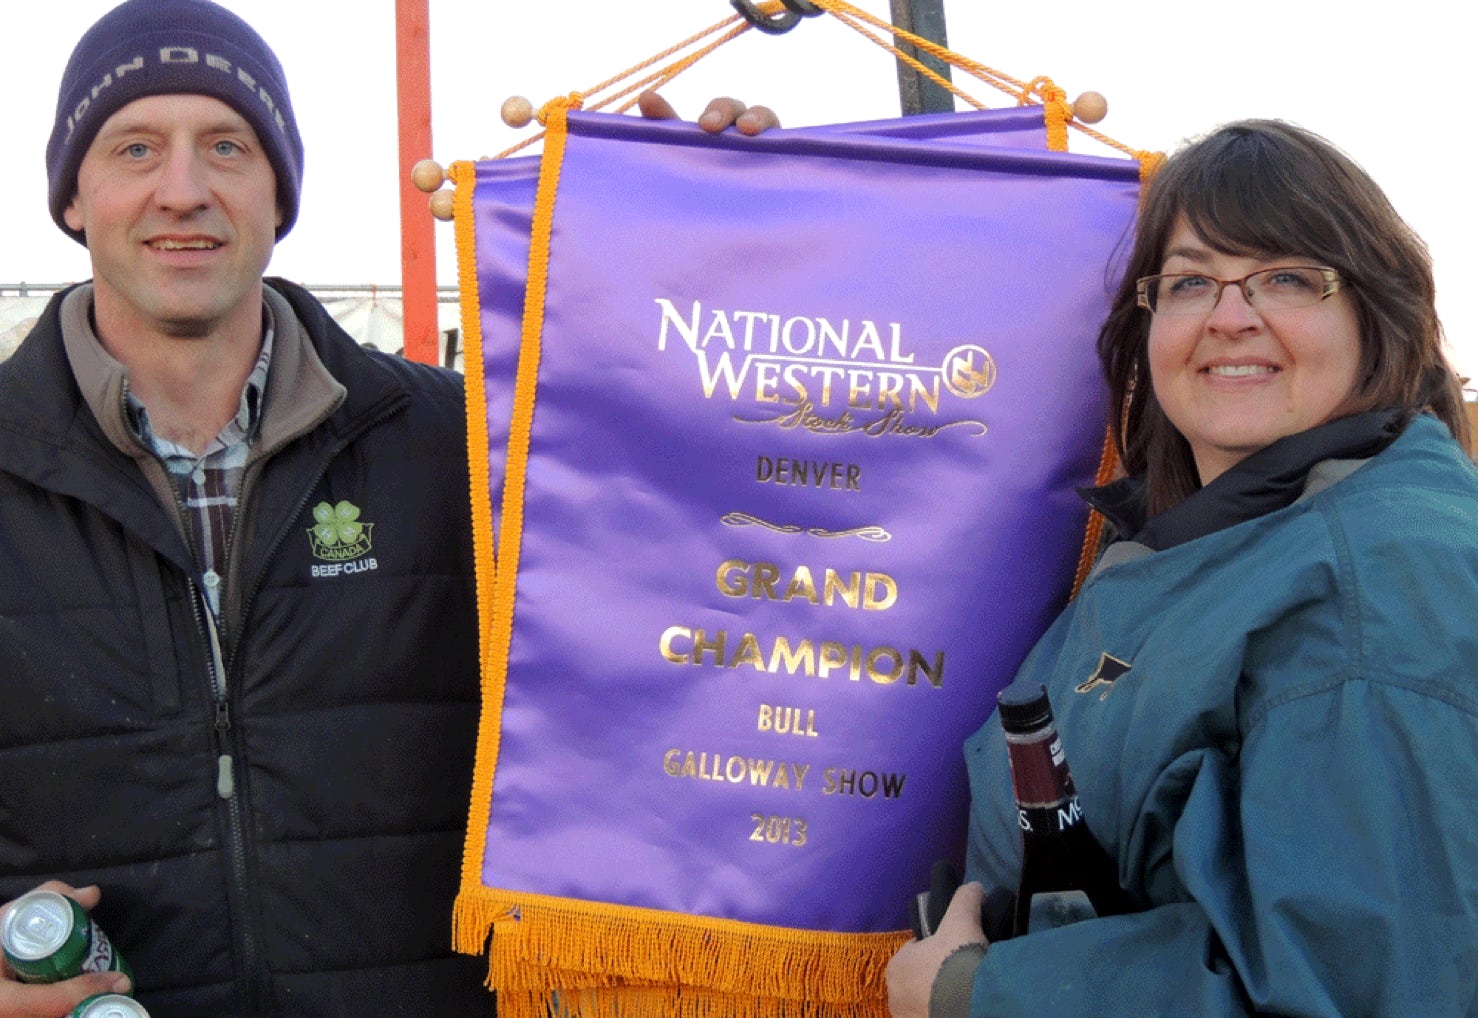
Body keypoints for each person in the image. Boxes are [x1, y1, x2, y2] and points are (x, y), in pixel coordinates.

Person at [0, 2, 774, 1016]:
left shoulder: (469, 448)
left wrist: (714, 245)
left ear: (279, 193)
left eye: (226, 146)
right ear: (72, 196)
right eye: (135, 147)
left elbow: (710, 569)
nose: (181, 190)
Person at [885, 119, 1478, 1016]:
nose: (1230, 316)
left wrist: (981, 995)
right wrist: (732, 188)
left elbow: (1371, 988)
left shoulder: (1380, 582)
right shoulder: (1192, 548)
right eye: (1193, 280)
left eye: (1287, 277)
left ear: (1375, 315)